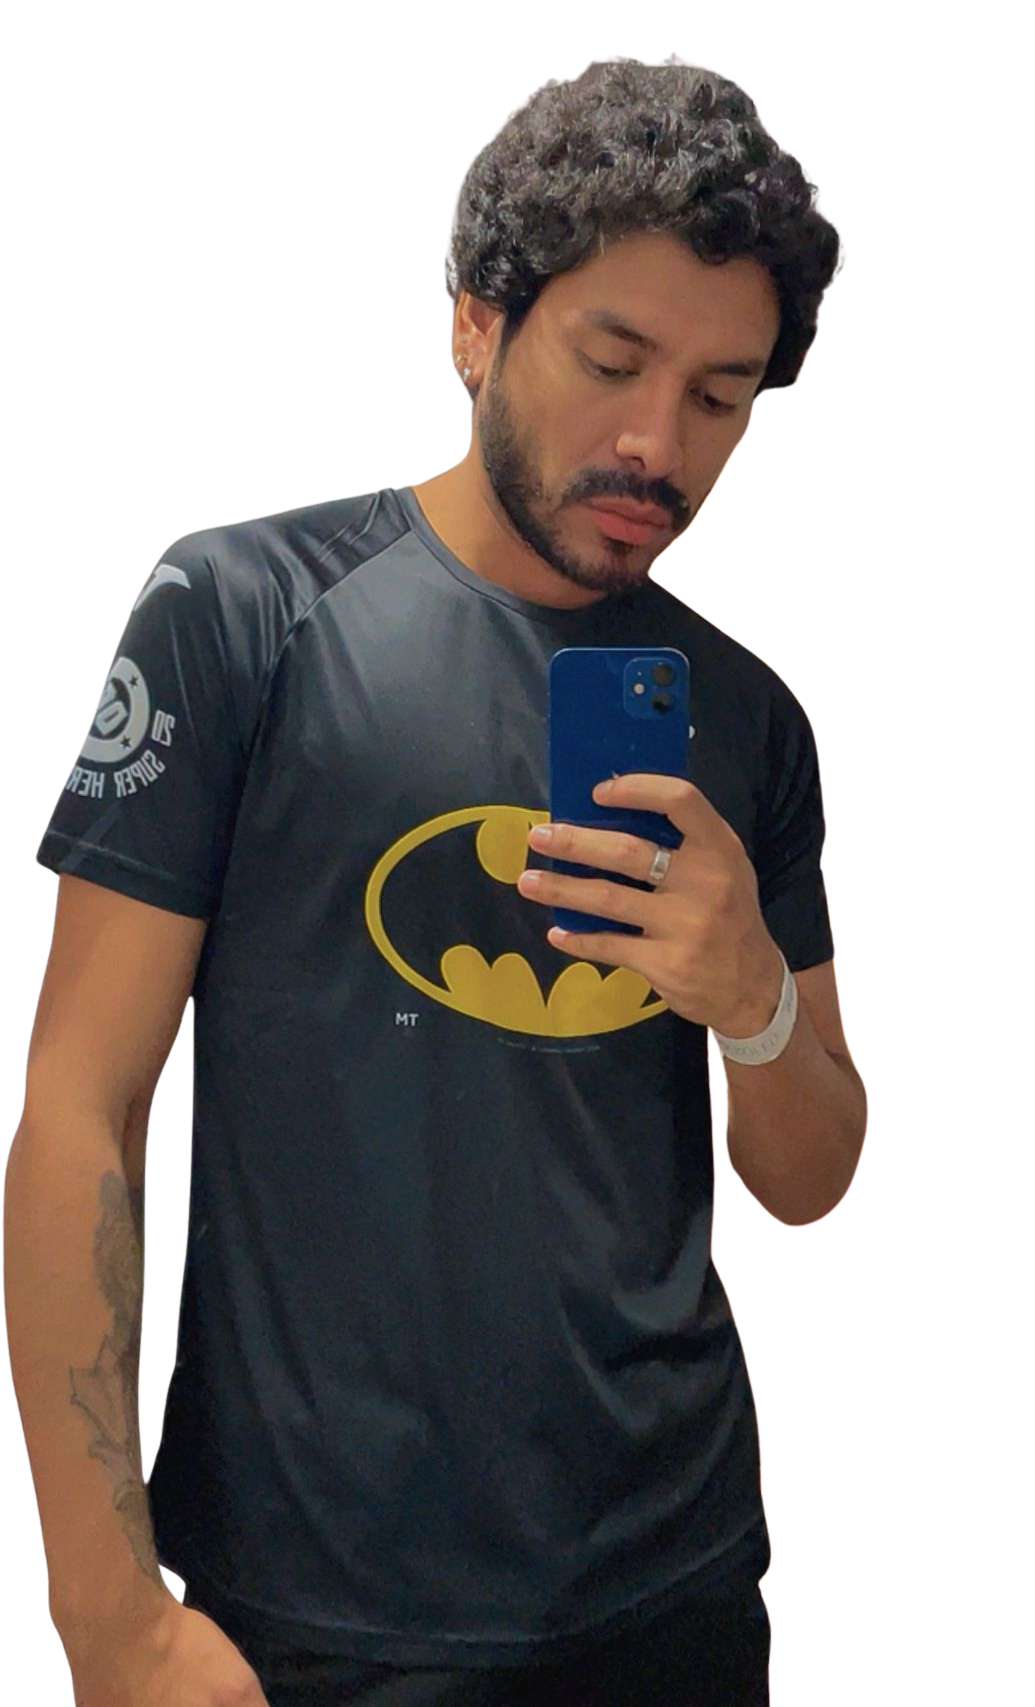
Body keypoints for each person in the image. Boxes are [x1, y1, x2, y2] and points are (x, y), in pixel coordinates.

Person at [8, 51, 849, 1707]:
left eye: (718, 394)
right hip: (311, 1602)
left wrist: (751, 1001)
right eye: (611, 358)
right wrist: (107, 1612)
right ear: (477, 321)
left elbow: (811, 1178)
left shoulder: (745, 715)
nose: (655, 441)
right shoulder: (240, 612)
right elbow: (80, 1107)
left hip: (669, 1580)